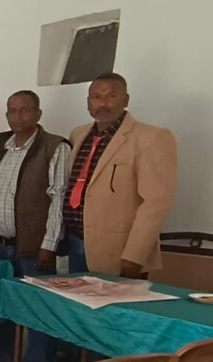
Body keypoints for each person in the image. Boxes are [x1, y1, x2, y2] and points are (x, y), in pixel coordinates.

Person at [0, 90, 71, 362]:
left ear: (38, 114)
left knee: (37, 312)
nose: (17, 116)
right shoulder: (2, 145)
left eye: (24, 110)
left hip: (33, 247)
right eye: (11, 110)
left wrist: (49, 244)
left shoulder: (54, 146)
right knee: (1, 310)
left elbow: (58, 199)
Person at [62, 72, 177, 278]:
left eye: (111, 96)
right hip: (76, 243)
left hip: (118, 251)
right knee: (73, 300)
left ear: (126, 100)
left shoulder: (152, 137)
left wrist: (135, 255)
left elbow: (156, 203)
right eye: (96, 97)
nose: (103, 103)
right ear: (88, 102)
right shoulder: (79, 134)